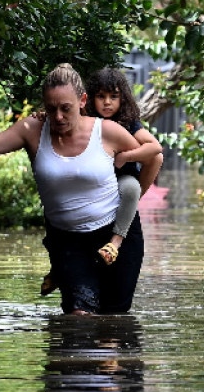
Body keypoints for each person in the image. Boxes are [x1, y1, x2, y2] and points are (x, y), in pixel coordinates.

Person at [0, 63, 162, 315]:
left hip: (115, 235)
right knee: (79, 316)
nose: (58, 117)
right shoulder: (32, 130)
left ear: (82, 101)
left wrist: (135, 197)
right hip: (67, 240)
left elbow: (153, 157)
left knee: (112, 321)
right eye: (51, 108)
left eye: (65, 108)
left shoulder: (108, 131)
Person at [40, 67, 163, 296]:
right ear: (89, 98)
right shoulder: (84, 120)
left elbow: (155, 149)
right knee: (56, 205)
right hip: (85, 190)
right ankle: (57, 267)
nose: (107, 103)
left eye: (113, 97)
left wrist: (126, 156)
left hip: (120, 180)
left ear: (122, 98)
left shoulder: (127, 123)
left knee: (131, 188)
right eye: (101, 96)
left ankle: (115, 243)